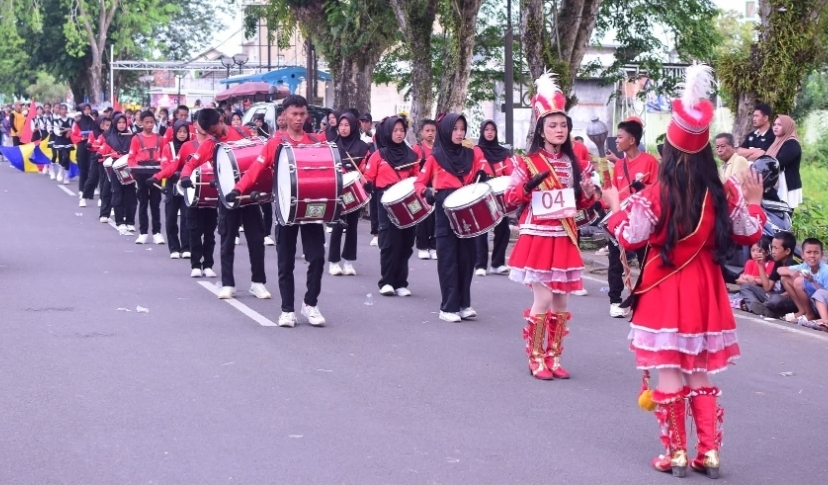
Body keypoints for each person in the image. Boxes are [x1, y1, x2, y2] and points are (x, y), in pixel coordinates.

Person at [603, 63, 766, 478]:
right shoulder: (723, 191)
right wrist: (753, 202)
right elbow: (747, 234)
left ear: (670, 153)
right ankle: (708, 454)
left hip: (664, 284)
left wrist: (614, 207)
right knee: (699, 371)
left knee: (671, 370)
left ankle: (675, 454)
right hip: (705, 287)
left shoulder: (656, 193)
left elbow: (631, 238)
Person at [503, 73, 597, 380]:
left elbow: (578, 205)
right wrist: (528, 187)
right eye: (552, 125)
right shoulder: (526, 163)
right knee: (542, 299)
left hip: (564, 236)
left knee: (562, 300)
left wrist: (589, 193)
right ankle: (536, 358)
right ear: (541, 130)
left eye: (563, 125)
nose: (559, 130)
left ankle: (554, 357)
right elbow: (510, 199)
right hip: (539, 236)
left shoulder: (573, 163)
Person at [226, 95, 324, 326]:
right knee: (286, 262)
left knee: (318, 258)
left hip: (311, 207)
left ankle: (310, 304)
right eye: (294, 114)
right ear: (284, 116)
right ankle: (287, 310)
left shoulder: (316, 141)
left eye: (302, 114)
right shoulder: (274, 143)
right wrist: (237, 188)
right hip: (284, 207)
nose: (298, 119)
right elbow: (255, 169)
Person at [180, 108, 270, 300]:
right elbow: (190, 164)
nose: (214, 135)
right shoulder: (210, 144)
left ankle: (258, 283)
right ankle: (228, 284)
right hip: (226, 198)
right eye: (209, 134)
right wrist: (185, 177)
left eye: (215, 130)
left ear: (222, 120)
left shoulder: (244, 133)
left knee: (256, 240)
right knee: (227, 241)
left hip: (249, 195)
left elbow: (262, 156)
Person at [414, 113, 487, 322]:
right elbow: (419, 183)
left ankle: (464, 304)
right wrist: (427, 193)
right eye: (455, 129)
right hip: (445, 208)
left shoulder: (471, 155)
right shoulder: (435, 157)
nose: (459, 133)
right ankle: (448, 307)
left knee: (467, 258)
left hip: (467, 207)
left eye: (462, 128)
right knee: (448, 259)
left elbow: (479, 174)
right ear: (446, 131)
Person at [607, 117, 660, 318]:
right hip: (619, 219)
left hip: (641, 222)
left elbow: (657, 191)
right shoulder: (619, 165)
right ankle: (615, 300)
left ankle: (644, 298)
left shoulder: (650, 162)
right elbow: (613, 190)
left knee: (645, 261)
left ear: (632, 140)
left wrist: (639, 189)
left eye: (620, 137)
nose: (617, 141)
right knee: (615, 261)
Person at [152, 122, 217, 278]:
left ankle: (208, 264)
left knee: (210, 232)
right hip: (192, 192)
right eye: (201, 123)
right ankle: (195, 264)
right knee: (194, 230)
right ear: (195, 126)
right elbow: (175, 165)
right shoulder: (187, 146)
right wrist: (157, 176)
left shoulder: (216, 145)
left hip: (211, 193)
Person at [363, 116, 420, 295]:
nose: (399, 134)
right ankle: (386, 282)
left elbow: (419, 179)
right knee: (389, 243)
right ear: (388, 132)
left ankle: (401, 283)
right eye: (395, 130)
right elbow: (368, 177)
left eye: (402, 130)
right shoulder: (378, 155)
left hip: (407, 201)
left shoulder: (412, 155)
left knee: (406, 243)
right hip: (385, 201)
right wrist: (367, 184)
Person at [328, 112, 370, 276]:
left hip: (354, 190)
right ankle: (333, 261)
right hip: (338, 189)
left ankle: (348, 261)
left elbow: (366, 168)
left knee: (352, 226)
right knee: (337, 225)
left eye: (347, 125)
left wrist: (364, 180)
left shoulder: (363, 147)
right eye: (341, 125)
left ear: (353, 126)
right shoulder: (332, 145)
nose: (344, 129)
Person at [473, 119, 513, 276]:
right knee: (482, 230)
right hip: (483, 193)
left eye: (492, 130)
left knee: (503, 229)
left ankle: (498, 263)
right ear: (482, 132)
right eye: (487, 129)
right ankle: (480, 265)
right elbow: (474, 168)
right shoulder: (476, 150)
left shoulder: (503, 152)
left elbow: (510, 172)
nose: (489, 132)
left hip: (500, 194)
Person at [153, 120, 192, 259]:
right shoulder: (168, 147)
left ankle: (186, 247)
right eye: (179, 132)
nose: (182, 134)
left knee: (187, 217)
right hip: (171, 184)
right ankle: (174, 248)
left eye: (184, 132)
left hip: (187, 185)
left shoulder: (191, 146)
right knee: (171, 217)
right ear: (174, 132)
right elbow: (165, 166)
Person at [739, 230, 798, 317]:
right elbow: (767, 287)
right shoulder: (778, 263)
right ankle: (757, 307)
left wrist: (776, 295)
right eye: (772, 247)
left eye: (776, 248)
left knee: (775, 299)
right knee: (746, 287)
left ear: (787, 251)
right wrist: (760, 265)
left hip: (789, 299)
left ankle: (758, 307)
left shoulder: (793, 265)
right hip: (775, 295)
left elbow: (795, 292)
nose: (773, 251)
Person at [127, 111, 165, 245]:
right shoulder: (136, 138)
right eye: (146, 122)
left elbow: (165, 158)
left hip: (155, 174)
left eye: (151, 122)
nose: (149, 125)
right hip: (141, 174)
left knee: (155, 204)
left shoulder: (160, 138)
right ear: (141, 123)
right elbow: (131, 159)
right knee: (143, 203)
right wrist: (135, 170)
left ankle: (157, 233)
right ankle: (143, 233)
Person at [100, 114, 137, 235]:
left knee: (131, 195)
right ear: (115, 124)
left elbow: (136, 150)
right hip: (116, 168)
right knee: (117, 194)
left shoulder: (132, 137)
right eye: (119, 122)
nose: (121, 125)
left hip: (128, 167)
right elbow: (103, 150)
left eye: (123, 122)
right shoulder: (110, 138)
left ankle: (130, 222)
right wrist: (100, 154)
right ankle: (120, 222)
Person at [777, 238, 828, 323]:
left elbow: (824, 295)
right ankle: (802, 311)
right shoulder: (804, 266)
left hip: (823, 305)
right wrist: (790, 272)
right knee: (785, 278)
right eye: (809, 252)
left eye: (816, 252)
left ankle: (810, 315)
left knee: (799, 281)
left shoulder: (825, 270)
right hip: (812, 302)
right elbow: (780, 270)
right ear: (802, 255)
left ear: (822, 255)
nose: (812, 255)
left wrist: (812, 281)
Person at [765, 115, 803, 209]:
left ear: (787, 127)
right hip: (777, 183)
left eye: (780, 125)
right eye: (774, 124)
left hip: (786, 185)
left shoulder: (792, 144)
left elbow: (779, 162)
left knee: (784, 216)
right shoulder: (777, 142)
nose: (776, 127)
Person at [413, 119, 438, 260]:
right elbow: (413, 169)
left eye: (433, 131)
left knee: (435, 219)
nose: (430, 133)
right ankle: (422, 246)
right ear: (421, 132)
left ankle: (434, 246)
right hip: (422, 187)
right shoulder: (417, 149)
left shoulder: (438, 148)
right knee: (422, 218)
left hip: (436, 186)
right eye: (427, 130)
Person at [80, 115, 109, 209]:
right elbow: (90, 143)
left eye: (105, 124)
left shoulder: (109, 134)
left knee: (103, 179)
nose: (103, 125)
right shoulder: (93, 133)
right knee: (92, 177)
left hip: (106, 157)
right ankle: (84, 197)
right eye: (101, 123)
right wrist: (89, 145)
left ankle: (102, 198)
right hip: (95, 156)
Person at [72, 104, 97, 206]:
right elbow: (73, 135)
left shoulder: (94, 122)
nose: (87, 111)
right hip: (82, 147)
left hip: (91, 147)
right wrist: (81, 138)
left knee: (92, 170)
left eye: (88, 109)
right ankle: (82, 192)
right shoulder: (77, 123)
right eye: (85, 109)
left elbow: (97, 133)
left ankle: (91, 189)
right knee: (83, 170)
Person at [91, 116, 112, 223]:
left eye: (110, 125)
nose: (109, 127)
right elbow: (96, 146)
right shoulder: (103, 136)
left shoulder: (123, 135)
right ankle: (104, 212)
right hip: (104, 163)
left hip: (117, 165)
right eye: (106, 125)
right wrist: (99, 152)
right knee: (105, 187)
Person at [51, 104, 74, 185]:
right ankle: (61, 170)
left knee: (67, 158)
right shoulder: (56, 121)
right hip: (60, 141)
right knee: (64, 156)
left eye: (65, 109)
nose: (64, 111)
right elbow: (57, 132)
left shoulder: (71, 120)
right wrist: (65, 131)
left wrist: (70, 131)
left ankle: (66, 176)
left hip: (68, 140)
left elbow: (73, 128)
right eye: (62, 109)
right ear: (60, 111)